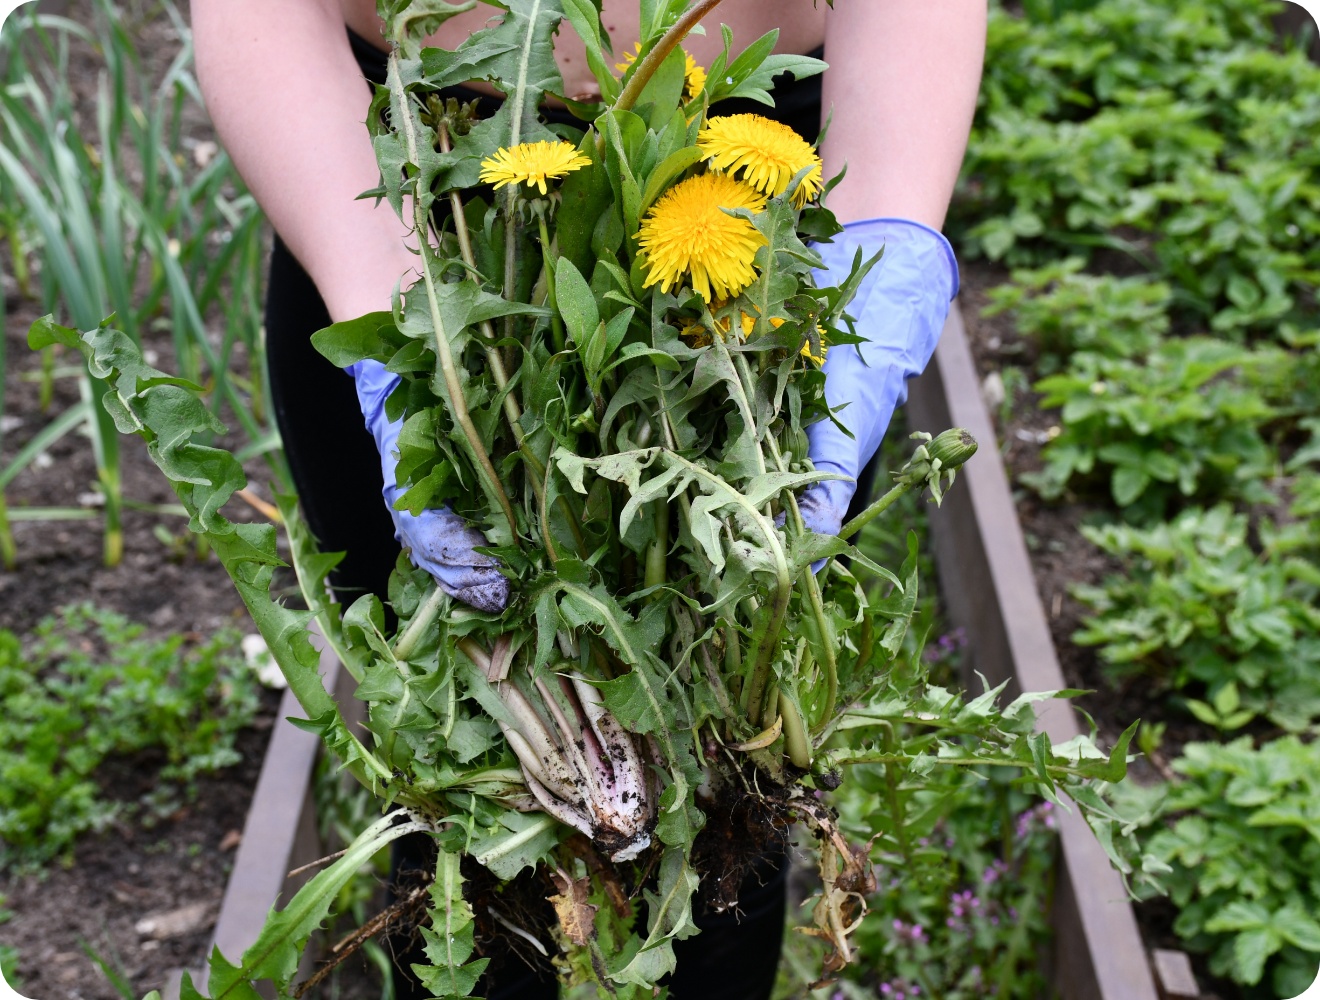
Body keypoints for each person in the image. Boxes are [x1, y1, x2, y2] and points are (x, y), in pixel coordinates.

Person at [192, 2, 985, 997]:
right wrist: (402, 327)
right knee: (467, 808)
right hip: (392, 184)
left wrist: (888, 249)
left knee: (725, 816)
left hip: (754, 205)